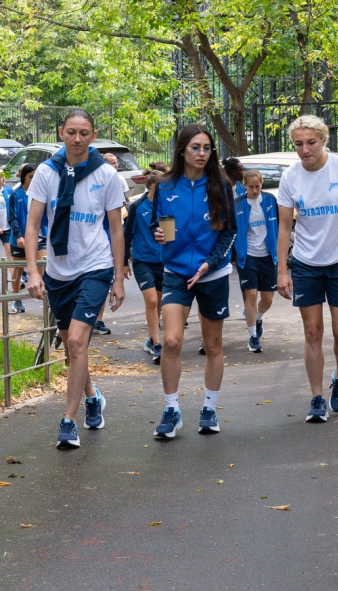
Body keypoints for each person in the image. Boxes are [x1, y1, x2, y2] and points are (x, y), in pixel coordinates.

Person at [25, 109, 125, 449]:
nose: (77, 138)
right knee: (71, 348)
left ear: (93, 135)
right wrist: (33, 271)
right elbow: (33, 224)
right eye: (71, 132)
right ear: (61, 132)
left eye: (84, 132)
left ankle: (68, 420)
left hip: (95, 267)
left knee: (78, 343)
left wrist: (119, 277)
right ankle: (93, 396)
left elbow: (115, 228)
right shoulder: (46, 172)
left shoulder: (106, 175)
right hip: (58, 271)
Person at [276, 115, 338, 423]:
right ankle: (316, 398)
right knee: (312, 332)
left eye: (310, 143)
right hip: (305, 263)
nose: (304, 150)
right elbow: (285, 226)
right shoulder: (290, 177)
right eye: (298, 144)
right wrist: (282, 270)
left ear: (324, 140)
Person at [151, 123, 236, 439]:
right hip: (175, 272)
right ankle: (172, 410)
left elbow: (229, 233)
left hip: (212, 273)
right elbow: (158, 226)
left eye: (206, 148)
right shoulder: (165, 186)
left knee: (213, 344)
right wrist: (158, 234)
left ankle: (209, 409)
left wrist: (207, 264)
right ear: (182, 150)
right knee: (171, 341)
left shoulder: (220, 185)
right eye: (195, 148)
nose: (202, 153)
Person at [234, 168, 279, 353]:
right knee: (251, 294)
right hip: (248, 256)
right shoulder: (237, 204)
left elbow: (280, 224)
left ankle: (258, 318)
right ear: (244, 186)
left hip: (268, 256)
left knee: (267, 299)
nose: (254, 190)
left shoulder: (270, 200)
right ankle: (253, 336)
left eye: (258, 186)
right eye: (251, 187)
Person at [123, 169, 164, 364]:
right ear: (150, 188)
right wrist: (123, 262)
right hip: (143, 260)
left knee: (160, 303)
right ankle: (157, 344)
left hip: (163, 260)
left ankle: (150, 337)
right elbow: (127, 234)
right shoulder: (138, 207)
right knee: (152, 301)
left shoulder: (167, 206)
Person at [88, 152, 132, 335]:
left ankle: (98, 319)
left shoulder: (118, 179)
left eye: (116, 163)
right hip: (98, 237)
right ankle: (90, 318)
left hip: (115, 231)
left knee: (104, 282)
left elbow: (126, 202)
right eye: (111, 163)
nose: (114, 166)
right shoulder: (95, 179)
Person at [7, 163, 46, 314]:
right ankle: (16, 299)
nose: (34, 180)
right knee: (17, 271)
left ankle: (45, 296)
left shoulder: (41, 194)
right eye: (31, 177)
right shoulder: (16, 195)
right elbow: (12, 218)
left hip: (39, 238)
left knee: (42, 265)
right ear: (24, 177)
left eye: (36, 177)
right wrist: (18, 236)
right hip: (20, 238)